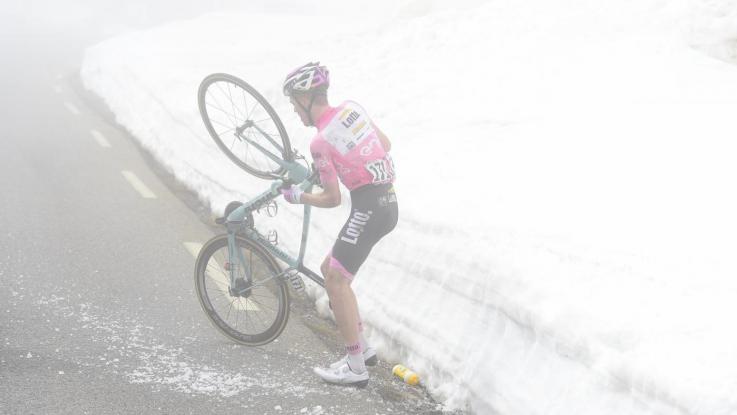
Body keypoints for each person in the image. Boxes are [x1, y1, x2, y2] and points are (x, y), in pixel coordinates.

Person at [280, 62, 398, 387]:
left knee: (336, 281)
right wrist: (349, 159)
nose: (294, 111)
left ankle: (355, 366)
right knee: (329, 267)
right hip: (387, 203)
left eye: (293, 103)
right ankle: (364, 348)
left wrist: (298, 196)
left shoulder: (319, 143)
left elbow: (331, 199)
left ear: (306, 97)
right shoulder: (352, 110)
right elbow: (384, 145)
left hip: (369, 208)